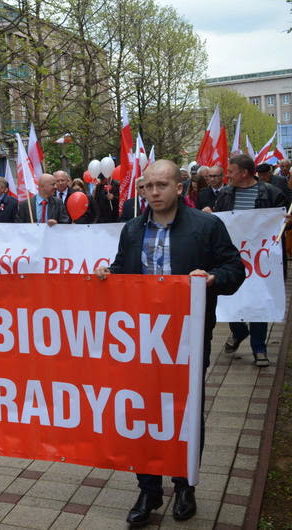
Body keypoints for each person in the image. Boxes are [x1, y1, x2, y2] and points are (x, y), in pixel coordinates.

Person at [94, 160, 245, 527]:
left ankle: (184, 484)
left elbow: (234, 269)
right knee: (141, 411)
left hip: (188, 337)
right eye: (148, 186)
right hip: (141, 340)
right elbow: (123, 269)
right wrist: (108, 275)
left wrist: (212, 278)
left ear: (179, 187)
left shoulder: (207, 226)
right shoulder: (133, 229)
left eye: (161, 185)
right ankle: (148, 489)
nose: (154, 192)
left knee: (185, 410)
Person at [214, 154, 288, 367]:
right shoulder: (226, 194)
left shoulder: (272, 193)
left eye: (231, 172)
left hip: (260, 259)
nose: (227, 176)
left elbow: (280, 223)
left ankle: (259, 348)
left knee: (259, 300)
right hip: (233, 257)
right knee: (230, 296)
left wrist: (289, 222)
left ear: (244, 173)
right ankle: (238, 331)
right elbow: (219, 222)